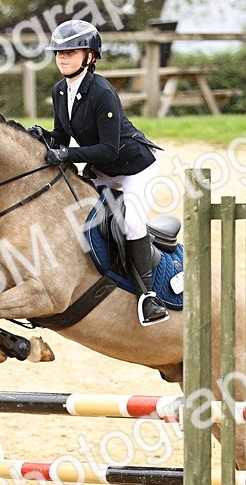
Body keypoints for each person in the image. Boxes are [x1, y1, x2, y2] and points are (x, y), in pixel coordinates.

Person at [32, 19, 169, 326]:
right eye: (58, 52)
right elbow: (62, 137)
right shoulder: (59, 91)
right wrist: (43, 136)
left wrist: (66, 154)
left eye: (71, 51)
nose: (62, 57)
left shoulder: (102, 92)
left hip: (134, 168)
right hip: (102, 169)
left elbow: (110, 149)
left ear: (90, 56)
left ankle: (149, 297)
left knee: (132, 222)